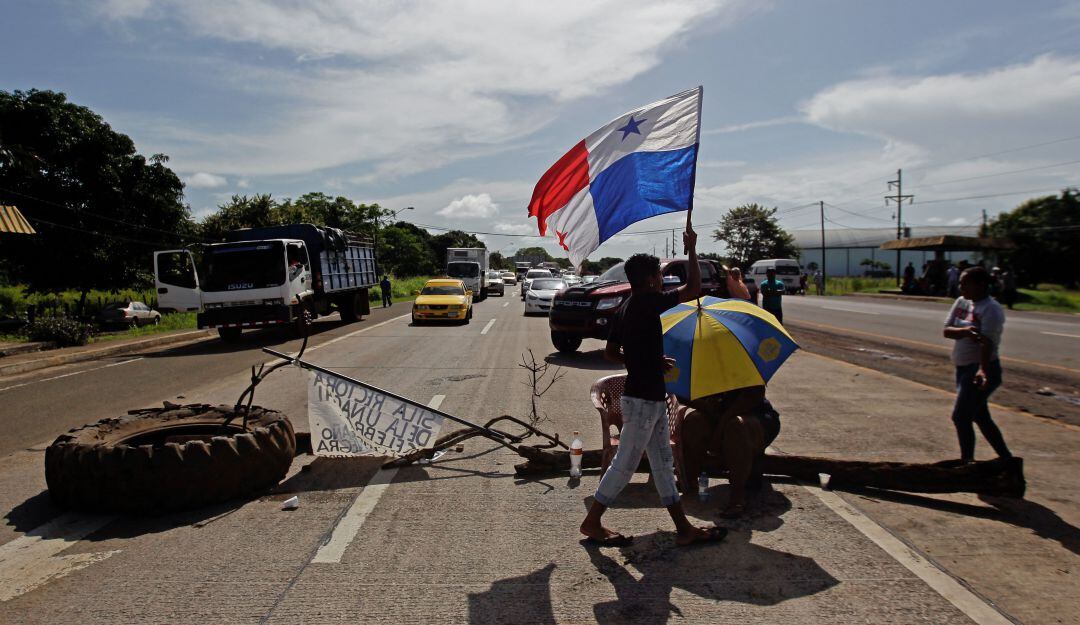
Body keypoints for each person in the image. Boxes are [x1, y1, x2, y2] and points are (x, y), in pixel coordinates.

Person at [580, 225, 726, 547]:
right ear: (649, 280)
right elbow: (694, 289)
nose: (661, 280)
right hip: (644, 401)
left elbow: (609, 352)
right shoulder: (648, 302)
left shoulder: (626, 306)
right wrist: (691, 249)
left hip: (649, 398)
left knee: (663, 464)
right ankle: (592, 522)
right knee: (625, 465)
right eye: (658, 275)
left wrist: (648, 360)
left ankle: (684, 529)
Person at [943, 267, 1013, 463]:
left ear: (981, 285)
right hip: (963, 367)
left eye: (965, 283)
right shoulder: (962, 302)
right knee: (980, 417)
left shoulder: (991, 309)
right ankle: (1007, 460)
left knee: (961, 416)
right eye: (960, 283)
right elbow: (947, 330)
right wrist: (965, 332)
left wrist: (983, 369)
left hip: (980, 370)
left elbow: (988, 343)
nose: (960, 287)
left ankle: (967, 463)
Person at [680, 386, 781, 517]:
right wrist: (704, 405)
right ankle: (691, 481)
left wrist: (721, 426)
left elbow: (754, 396)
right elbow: (679, 392)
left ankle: (737, 496)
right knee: (693, 422)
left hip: (755, 416)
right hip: (718, 414)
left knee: (736, 427)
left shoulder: (745, 369)